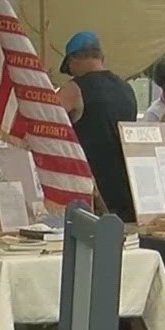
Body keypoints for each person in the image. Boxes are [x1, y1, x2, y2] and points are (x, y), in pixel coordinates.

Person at [55, 30, 138, 223]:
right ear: (101, 57)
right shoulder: (126, 89)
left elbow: (46, 118)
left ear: (73, 60)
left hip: (93, 189)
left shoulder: (74, 89)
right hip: (126, 186)